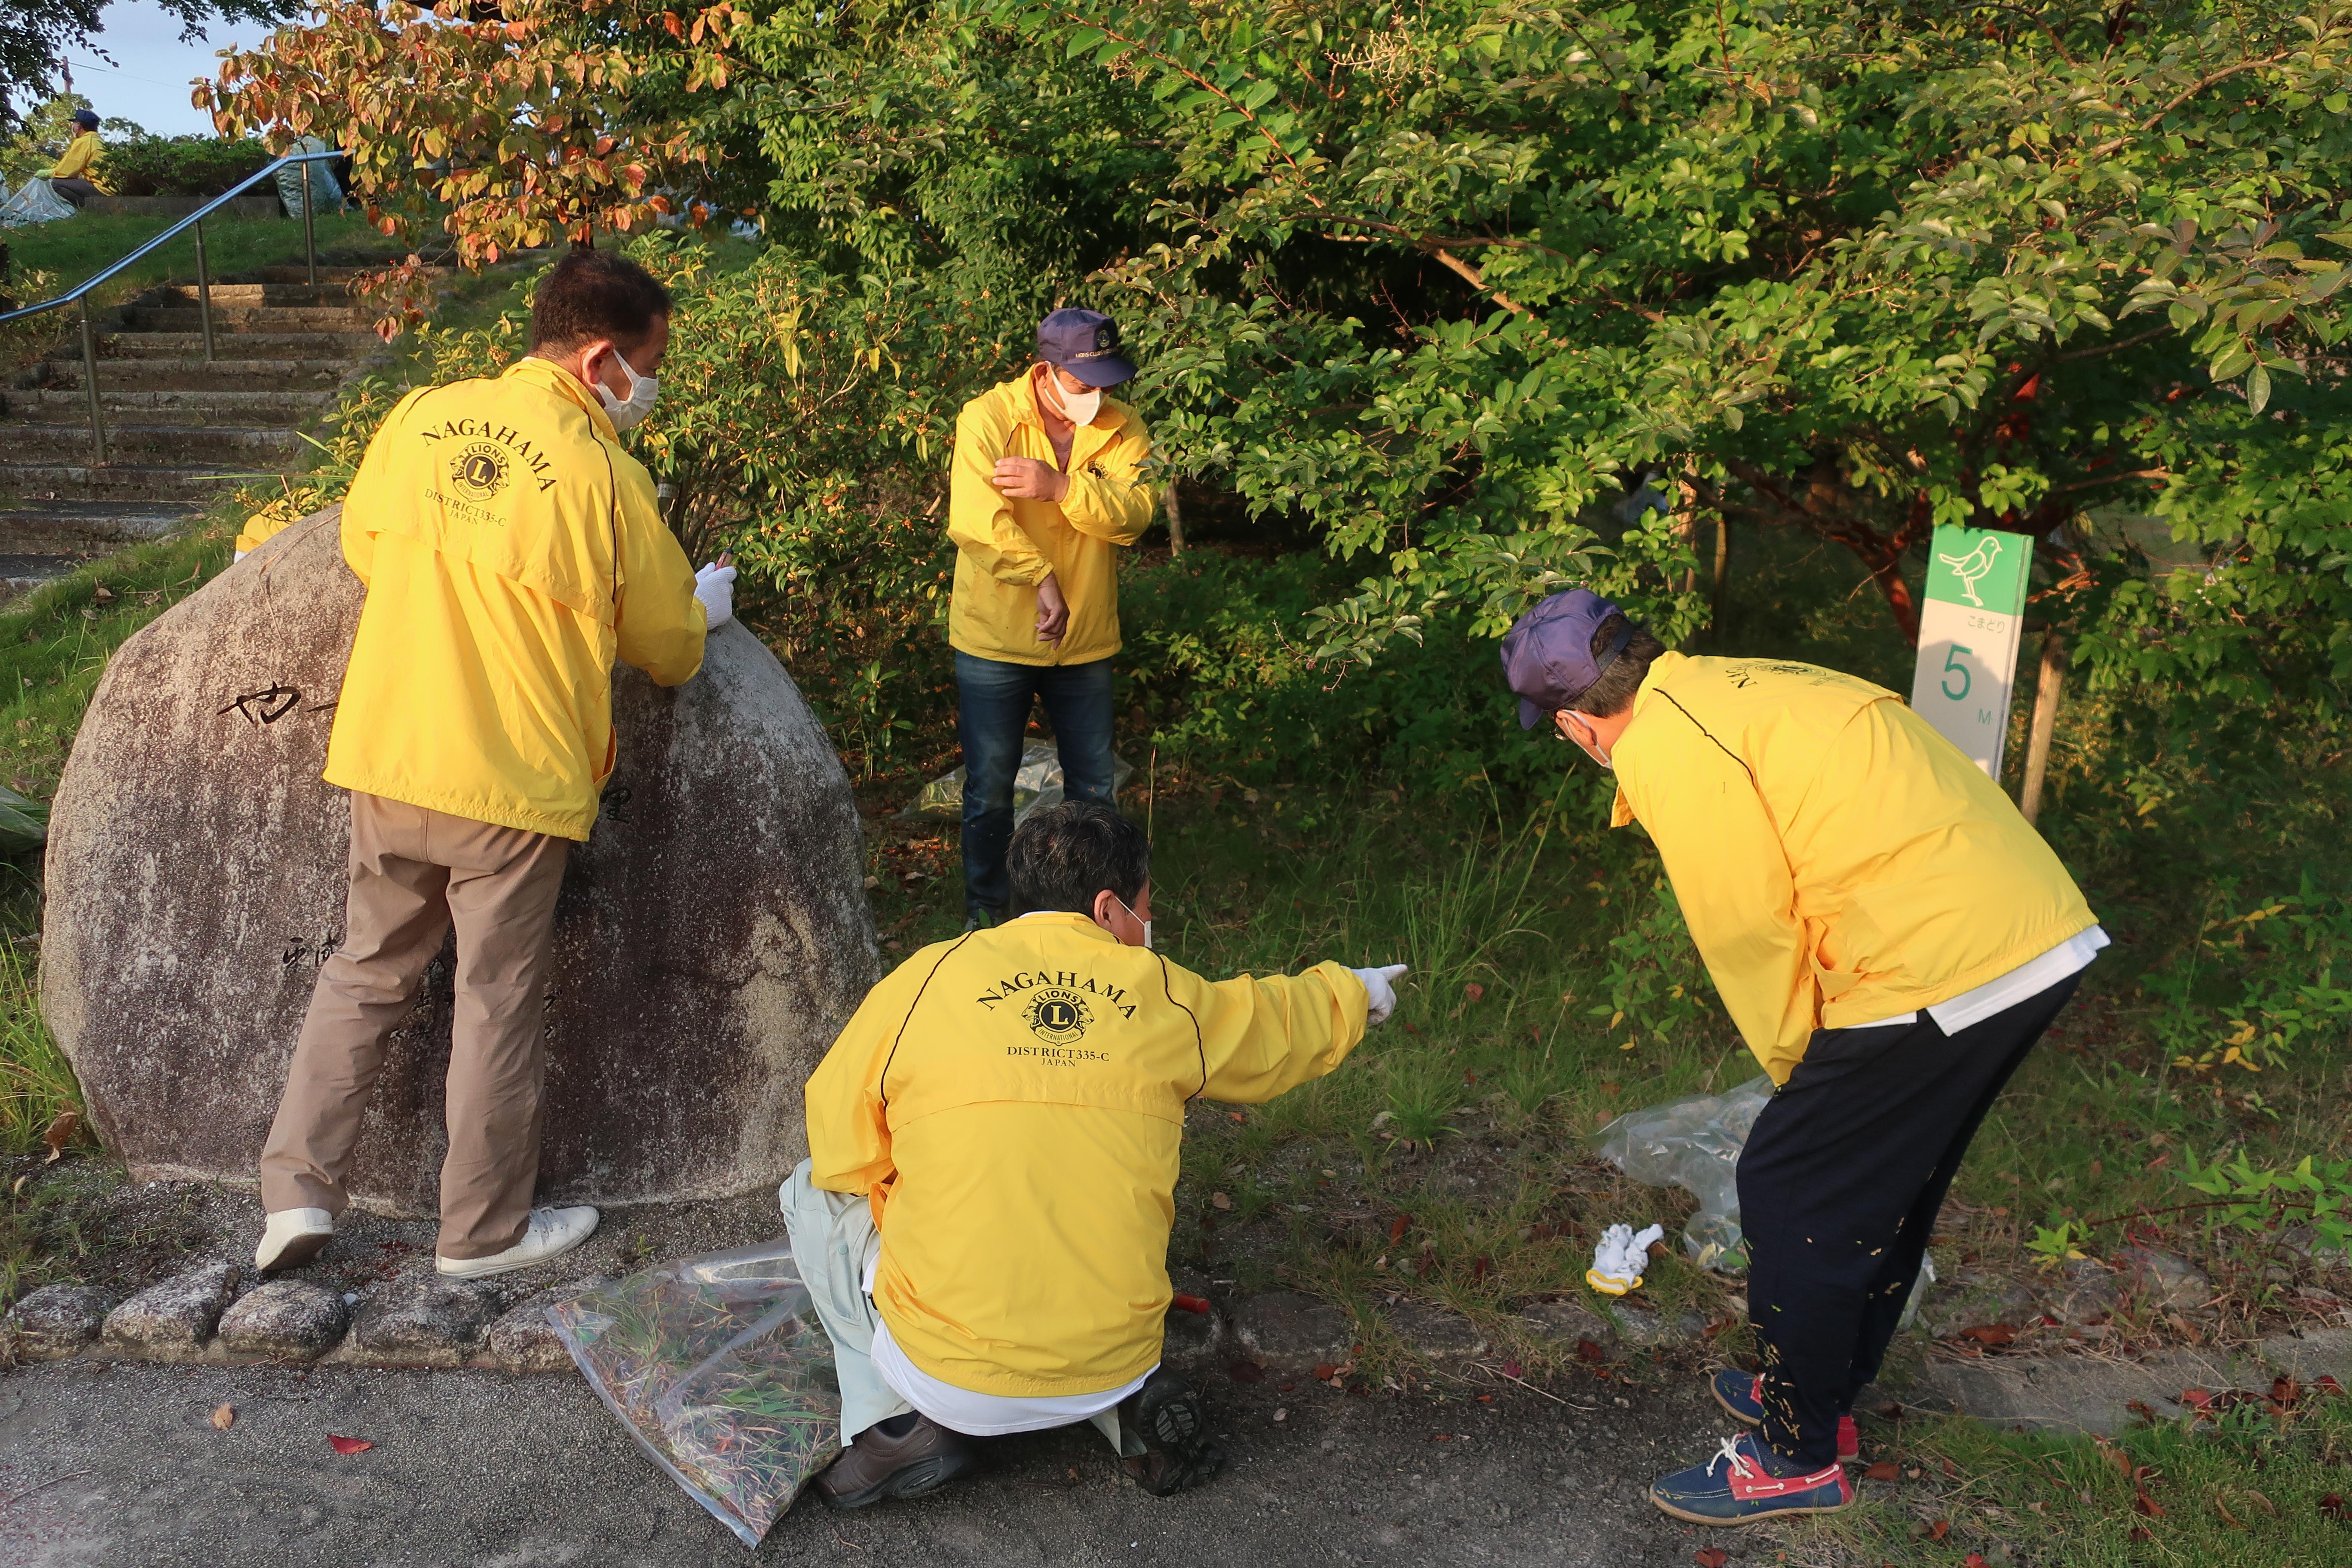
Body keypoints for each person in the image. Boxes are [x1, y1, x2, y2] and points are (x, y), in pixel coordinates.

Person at [1499, 590, 2104, 1525]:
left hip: (1936, 957)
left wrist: (1798, 1077)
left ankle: (1796, 1453)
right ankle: (1819, 1395)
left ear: (1578, 725)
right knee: (1872, 1188)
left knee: (1791, 1187)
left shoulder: (1669, 749)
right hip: (2025, 927)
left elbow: (1751, 930)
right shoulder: (1732, 683)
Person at [252, 250, 739, 1280]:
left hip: (390, 749)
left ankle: (294, 1197)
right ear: (603, 358)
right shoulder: (606, 474)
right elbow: (665, 646)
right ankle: (478, 1234)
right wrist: (704, 606)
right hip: (511, 779)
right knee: (494, 1001)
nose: (648, 387)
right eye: (649, 364)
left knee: (364, 971)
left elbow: (368, 549)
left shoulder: (423, 414)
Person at [783, 801, 1409, 1507]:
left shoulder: (928, 976)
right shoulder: (1163, 994)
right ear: (1110, 909)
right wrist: (1356, 991)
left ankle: (891, 1421)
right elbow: (1270, 1021)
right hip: (1115, 1360)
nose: (1151, 921)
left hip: (945, 1371)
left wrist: (907, 1188)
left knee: (810, 1188)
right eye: (1148, 905)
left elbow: (837, 1139)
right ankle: (1116, 1413)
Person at [947, 309, 1156, 930]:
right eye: (1089, 385)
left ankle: (1096, 922)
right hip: (995, 637)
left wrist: (1060, 486)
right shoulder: (987, 418)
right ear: (1050, 370)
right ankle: (985, 917)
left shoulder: (1124, 429)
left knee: (1094, 793)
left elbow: (1136, 515)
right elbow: (977, 519)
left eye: (1110, 383)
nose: (1104, 397)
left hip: (1086, 640)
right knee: (988, 791)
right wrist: (1039, 577)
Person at [39, 109, 109, 207]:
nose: (73, 127)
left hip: (102, 189)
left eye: (74, 123)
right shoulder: (97, 140)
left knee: (57, 183)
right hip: (111, 188)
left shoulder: (85, 141)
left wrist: (48, 173)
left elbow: (67, 171)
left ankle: (89, 209)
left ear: (79, 126)